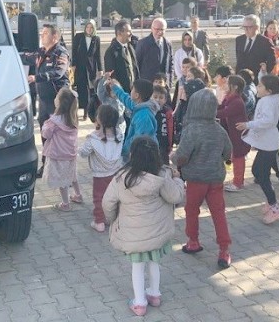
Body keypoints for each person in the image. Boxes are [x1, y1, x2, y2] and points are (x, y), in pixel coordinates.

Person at [102, 136, 185, 316]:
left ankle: (139, 303)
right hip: (157, 234)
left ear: (132, 155)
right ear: (156, 155)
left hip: (133, 236)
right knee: (154, 262)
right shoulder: (162, 175)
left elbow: (107, 203)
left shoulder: (121, 178)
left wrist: (113, 220)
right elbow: (176, 197)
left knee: (137, 267)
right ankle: (154, 295)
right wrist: (178, 179)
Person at [171, 89, 233, 269]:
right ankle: (224, 250)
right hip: (215, 179)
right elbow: (228, 153)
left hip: (195, 180)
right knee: (219, 212)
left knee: (192, 210)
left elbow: (182, 156)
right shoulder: (219, 130)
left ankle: (193, 241)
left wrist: (174, 158)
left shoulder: (191, 130)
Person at [235, 75, 279, 224]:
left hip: (268, 143)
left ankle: (274, 207)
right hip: (267, 143)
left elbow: (268, 121)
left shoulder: (267, 101)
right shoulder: (273, 98)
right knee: (258, 172)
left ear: (269, 90)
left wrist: (248, 125)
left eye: (260, 86)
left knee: (261, 174)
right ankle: (271, 201)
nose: (257, 87)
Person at [23, 24, 70, 178]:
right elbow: (25, 56)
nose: (42, 36)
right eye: (41, 33)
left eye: (45, 34)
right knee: (45, 134)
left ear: (54, 36)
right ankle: (47, 165)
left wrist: (35, 77)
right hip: (44, 102)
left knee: (60, 135)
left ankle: (64, 171)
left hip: (58, 102)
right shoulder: (41, 52)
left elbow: (58, 72)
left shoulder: (60, 53)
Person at [78, 104, 123, 232]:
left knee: (99, 197)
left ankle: (99, 221)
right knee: (114, 196)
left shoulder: (94, 138)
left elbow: (83, 153)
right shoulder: (119, 135)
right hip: (115, 172)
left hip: (100, 175)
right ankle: (113, 218)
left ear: (99, 120)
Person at [41, 88, 82, 212]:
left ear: (59, 102)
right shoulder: (73, 118)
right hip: (71, 153)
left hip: (58, 154)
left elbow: (46, 135)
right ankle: (78, 195)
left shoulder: (54, 121)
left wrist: (44, 125)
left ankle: (65, 204)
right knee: (72, 175)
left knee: (62, 180)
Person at [109, 78, 158, 162]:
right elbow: (126, 99)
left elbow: (140, 140)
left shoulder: (144, 116)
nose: (130, 92)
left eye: (132, 90)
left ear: (136, 95)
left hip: (141, 157)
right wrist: (115, 87)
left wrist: (126, 151)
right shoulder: (139, 105)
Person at [217, 75, 251, 192]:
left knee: (238, 157)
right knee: (234, 156)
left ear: (234, 86)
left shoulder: (237, 101)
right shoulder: (229, 98)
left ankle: (238, 183)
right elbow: (220, 107)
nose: (224, 84)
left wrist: (209, 112)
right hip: (232, 134)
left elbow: (224, 112)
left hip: (238, 135)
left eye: (227, 83)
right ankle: (235, 179)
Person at [72, 20, 102, 120]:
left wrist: (100, 69)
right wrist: (73, 65)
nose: (89, 29)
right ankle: (80, 110)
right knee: (81, 89)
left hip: (91, 68)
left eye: (91, 28)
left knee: (91, 89)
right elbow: (74, 51)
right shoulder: (79, 37)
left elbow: (98, 55)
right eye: (87, 27)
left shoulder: (96, 39)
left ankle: (88, 111)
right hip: (80, 67)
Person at [235, 14, 275, 82]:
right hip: (240, 79)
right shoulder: (239, 40)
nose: (246, 30)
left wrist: (265, 70)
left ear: (256, 27)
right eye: (244, 27)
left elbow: (272, 61)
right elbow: (239, 59)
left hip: (256, 80)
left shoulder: (265, 42)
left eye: (249, 27)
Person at [136, 18, 173, 86]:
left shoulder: (168, 44)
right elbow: (137, 65)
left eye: (162, 29)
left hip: (163, 85)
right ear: (152, 28)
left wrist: (169, 83)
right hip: (147, 84)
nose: (159, 32)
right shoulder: (142, 44)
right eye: (157, 29)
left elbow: (170, 65)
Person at [104, 20, 138, 93]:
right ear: (119, 33)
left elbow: (135, 68)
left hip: (134, 92)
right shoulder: (111, 52)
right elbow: (112, 77)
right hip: (122, 94)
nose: (131, 34)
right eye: (128, 31)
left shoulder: (130, 47)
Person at [152, 85, 174, 164]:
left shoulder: (168, 112)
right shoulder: (148, 111)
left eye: (161, 98)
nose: (158, 100)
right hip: (151, 144)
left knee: (164, 167)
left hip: (163, 145)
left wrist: (170, 145)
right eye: (155, 97)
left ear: (165, 100)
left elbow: (170, 129)